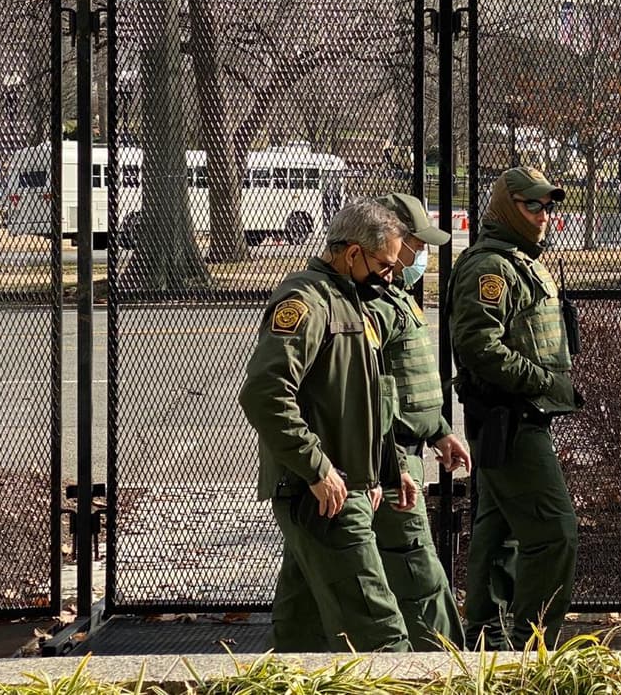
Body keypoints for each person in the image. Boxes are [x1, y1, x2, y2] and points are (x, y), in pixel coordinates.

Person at [238, 198, 417, 653]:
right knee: (380, 632)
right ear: (351, 253)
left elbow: (365, 399)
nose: (391, 275)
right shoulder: (307, 301)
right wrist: (318, 469)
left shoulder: (349, 298)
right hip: (322, 492)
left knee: (304, 633)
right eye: (383, 263)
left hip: (342, 487)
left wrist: (384, 471)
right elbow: (265, 393)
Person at [449, 166, 582, 650]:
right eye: (533, 206)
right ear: (507, 208)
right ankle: (532, 645)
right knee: (555, 534)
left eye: (548, 207)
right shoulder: (491, 267)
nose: (544, 215)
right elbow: (478, 344)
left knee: (498, 528)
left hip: (517, 417)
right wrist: (543, 382)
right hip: (510, 417)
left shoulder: (516, 260)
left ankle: (486, 640)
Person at [368, 192, 470, 649]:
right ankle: (445, 664)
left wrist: (440, 431)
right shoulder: (369, 305)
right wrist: (390, 463)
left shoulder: (395, 296)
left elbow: (410, 383)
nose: (422, 256)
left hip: (405, 452)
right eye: (416, 245)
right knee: (417, 568)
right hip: (389, 460)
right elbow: (363, 398)